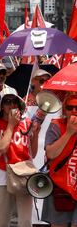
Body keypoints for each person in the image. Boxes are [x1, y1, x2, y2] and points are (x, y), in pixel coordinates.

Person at [0, 88, 40, 227]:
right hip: (2, 176)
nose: (12, 105)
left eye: (14, 101)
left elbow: (32, 153)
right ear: (2, 106)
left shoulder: (26, 123)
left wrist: (36, 134)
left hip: (24, 175)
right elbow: (1, 147)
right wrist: (11, 125)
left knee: (26, 221)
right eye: (7, 102)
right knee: (2, 221)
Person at [41, 94, 77, 226]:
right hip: (59, 186)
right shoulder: (56, 126)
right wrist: (69, 133)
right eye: (70, 107)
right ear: (64, 110)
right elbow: (50, 153)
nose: (74, 111)